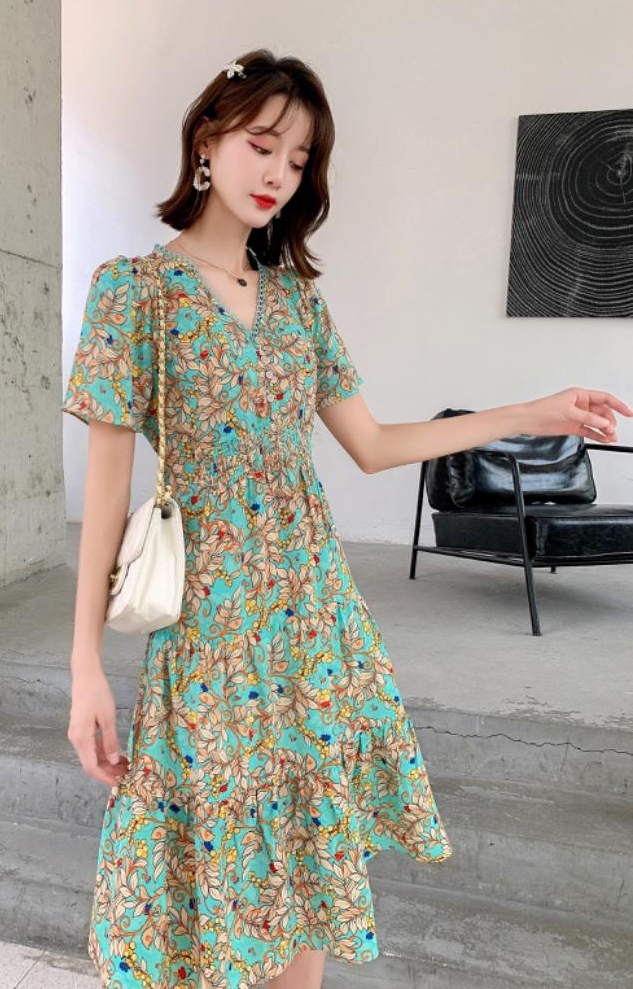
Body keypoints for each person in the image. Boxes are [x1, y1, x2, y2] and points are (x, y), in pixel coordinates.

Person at [62, 48, 631, 989]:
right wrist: (86, 667)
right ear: (207, 141)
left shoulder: (298, 305)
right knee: (212, 868)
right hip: (210, 629)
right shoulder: (134, 292)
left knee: (309, 860)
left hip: (317, 621)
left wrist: (533, 412)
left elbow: (372, 443)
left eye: (298, 160)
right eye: (261, 145)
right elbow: (106, 495)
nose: (278, 174)